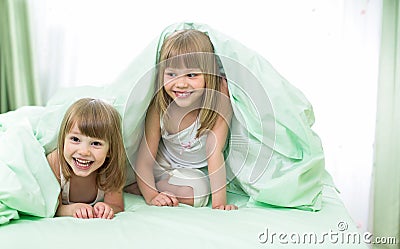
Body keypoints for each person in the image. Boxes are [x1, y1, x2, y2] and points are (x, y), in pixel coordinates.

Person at [126, 29, 237, 210]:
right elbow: (145, 159)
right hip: (160, 165)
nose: (181, 83)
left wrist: (219, 204)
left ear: (208, 74)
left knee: (199, 194)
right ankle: (146, 185)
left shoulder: (218, 101)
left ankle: (146, 187)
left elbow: (214, 153)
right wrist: (152, 196)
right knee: (127, 171)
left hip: (190, 173)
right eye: (172, 74)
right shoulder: (159, 107)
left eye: (191, 75)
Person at [47, 98, 127, 219]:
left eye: (95, 143)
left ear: (110, 150)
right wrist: (72, 209)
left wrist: (106, 207)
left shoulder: (110, 169)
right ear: (63, 139)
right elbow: (52, 207)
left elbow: (116, 205)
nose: (84, 152)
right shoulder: (55, 161)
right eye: (75, 139)